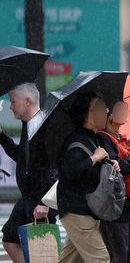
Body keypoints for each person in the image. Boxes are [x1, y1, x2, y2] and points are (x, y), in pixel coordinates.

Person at [57, 92, 119, 263]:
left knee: (70, 260)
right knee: (101, 260)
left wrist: (109, 164)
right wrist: (94, 158)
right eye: (100, 108)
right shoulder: (75, 141)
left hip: (87, 209)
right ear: (87, 114)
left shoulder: (93, 138)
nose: (105, 112)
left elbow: (92, 171)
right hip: (77, 209)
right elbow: (71, 172)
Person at [0, 83, 57, 263]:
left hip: (41, 200)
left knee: (43, 253)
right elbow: (21, 157)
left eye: (13, 101)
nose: (10, 106)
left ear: (27, 101)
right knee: (10, 239)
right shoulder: (28, 125)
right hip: (27, 197)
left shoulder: (46, 126)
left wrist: (45, 203)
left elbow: (55, 169)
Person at [98, 100, 130, 263]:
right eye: (120, 109)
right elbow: (113, 168)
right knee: (118, 256)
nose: (125, 112)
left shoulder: (124, 139)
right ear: (110, 116)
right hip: (114, 207)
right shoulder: (102, 138)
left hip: (128, 206)